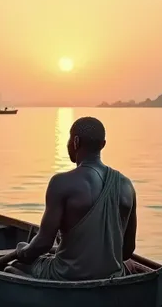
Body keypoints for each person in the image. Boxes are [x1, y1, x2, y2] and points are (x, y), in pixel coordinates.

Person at [9, 116, 148, 281]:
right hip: (112, 276)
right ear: (103, 145)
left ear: (75, 142)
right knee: (130, 267)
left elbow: (44, 243)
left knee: (13, 267)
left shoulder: (60, 182)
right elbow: (127, 251)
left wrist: (23, 251)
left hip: (67, 275)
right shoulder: (126, 185)